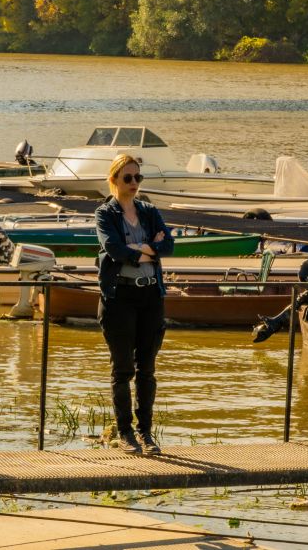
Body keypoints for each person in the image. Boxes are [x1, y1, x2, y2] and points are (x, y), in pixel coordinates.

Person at [95, 154, 174, 455]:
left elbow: (168, 245)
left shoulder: (149, 211)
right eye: (127, 178)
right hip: (119, 297)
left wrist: (142, 249)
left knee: (147, 370)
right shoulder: (105, 214)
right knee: (122, 369)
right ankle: (125, 432)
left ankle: (145, 433)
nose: (133, 184)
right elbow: (113, 249)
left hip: (151, 295)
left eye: (137, 178)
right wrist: (148, 250)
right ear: (114, 179)